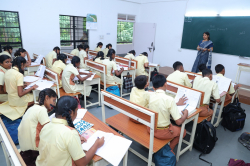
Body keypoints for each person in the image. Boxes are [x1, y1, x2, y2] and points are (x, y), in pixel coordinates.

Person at [36, 96, 104, 166]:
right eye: (77, 111)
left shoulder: (46, 127)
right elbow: (82, 163)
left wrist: (75, 140)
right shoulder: (70, 133)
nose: (77, 114)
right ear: (71, 112)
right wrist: (96, 145)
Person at [147, 74, 188, 151]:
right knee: (183, 131)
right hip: (161, 132)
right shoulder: (169, 99)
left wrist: (176, 103)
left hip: (150, 128)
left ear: (153, 87)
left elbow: (160, 103)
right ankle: (170, 149)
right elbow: (179, 122)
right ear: (166, 84)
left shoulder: (150, 95)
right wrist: (185, 114)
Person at [18, 88, 57, 165]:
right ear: (46, 98)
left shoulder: (32, 108)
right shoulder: (42, 110)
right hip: (33, 152)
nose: (54, 104)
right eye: (53, 100)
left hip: (24, 148)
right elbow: (49, 131)